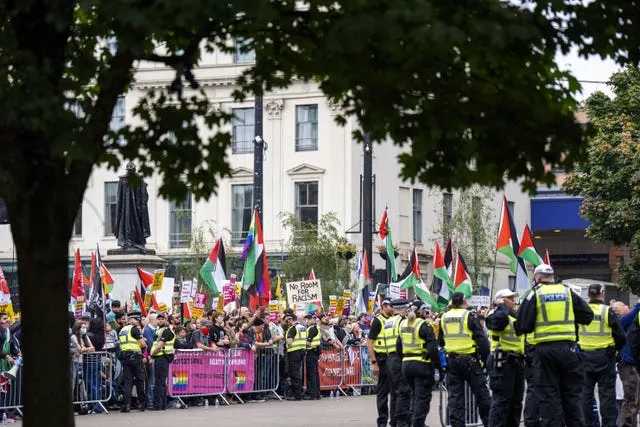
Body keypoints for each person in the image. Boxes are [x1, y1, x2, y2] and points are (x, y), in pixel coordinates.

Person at [515, 264, 594, 426]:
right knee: (572, 396)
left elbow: (522, 324)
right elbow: (587, 315)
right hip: (569, 350)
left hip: (545, 352)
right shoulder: (567, 291)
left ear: (537, 278)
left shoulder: (535, 294)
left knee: (549, 397)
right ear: (552, 277)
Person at [439, 292, 491, 427]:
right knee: (482, 395)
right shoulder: (468, 315)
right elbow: (483, 341)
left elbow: (441, 341)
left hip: (452, 361)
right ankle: (490, 422)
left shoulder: (444, 317)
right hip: (470, 361)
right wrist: (486, 361)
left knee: (455, 399)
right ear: (464, 302)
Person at [577, 283, 625, 427]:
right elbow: (621, 337)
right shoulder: (607, 311)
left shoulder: (581, 312)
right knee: (607, 397)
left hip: (584, 358)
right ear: (602, 294)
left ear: (588, 295)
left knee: (585, 396)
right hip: (605, 358)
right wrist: (614, 351)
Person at [486, 288, 525, 427]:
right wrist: (501, 306)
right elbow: (498, 323)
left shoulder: (512, 315)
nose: (514, 301)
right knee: (501, 401)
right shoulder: (496, 314)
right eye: (510, 298)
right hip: (502, 361)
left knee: (516, 402)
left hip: (516, 361)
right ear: (501, 300)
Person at [396, 302, 440, 427]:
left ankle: (412, 422)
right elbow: (432, 348)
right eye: (425, 309)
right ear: (420, 311)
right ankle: (418, 424)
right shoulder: (423, 325)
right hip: (422, 365)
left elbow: (398, 347)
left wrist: (404, 360)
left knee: (414, 395)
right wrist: (438, 366)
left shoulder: (403, 323)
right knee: (422, 398)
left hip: (406, 365)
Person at [366, 298, 398, 427]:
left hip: (393, 359)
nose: (393, 308)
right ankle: (382, 421)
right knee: (383, 393)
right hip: (382, 360)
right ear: (384, 306)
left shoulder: (393, 320)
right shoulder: (378, 321)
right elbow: (370, 342)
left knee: (395, 392)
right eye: (391, 306)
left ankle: (394, 420)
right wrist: (374, 362)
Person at [611, 299, 640, 427]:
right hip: (628, 365)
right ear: (618, 311)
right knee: (630, 400)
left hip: (631, 364)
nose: (627, 306)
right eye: (623, 305)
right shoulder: (620, 322)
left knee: (635, 401)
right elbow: (634, 313)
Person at [118, 312, 147, 413]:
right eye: (136, 319)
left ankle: (126, 405)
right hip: (135, 357)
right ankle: (142, 404)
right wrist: (144, 343)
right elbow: (142, 344)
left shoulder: (122, 330)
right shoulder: (134, 329)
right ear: (130, 319)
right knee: (140, 380)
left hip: (125, 357)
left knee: (128, 382)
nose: (138, 321)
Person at [149, 313, 175, 410]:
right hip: (159, 357)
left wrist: (151, 355)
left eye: (162, 319)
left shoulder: (166, 331)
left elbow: (159, 346)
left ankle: (158, 405)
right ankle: (162, 405)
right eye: (158, 319)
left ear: (165, 320)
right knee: (161, 382)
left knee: (159, 382)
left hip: (162, 358)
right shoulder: (159, 331)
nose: (160, 320)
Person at [285, 314, 306, 401]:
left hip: (294, 352)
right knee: (298, 373)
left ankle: (296, 395)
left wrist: (285, 340)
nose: (287, 322)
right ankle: (298, 393)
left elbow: (290, 341)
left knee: (294, 373)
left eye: (287, 320)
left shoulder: (293, 328)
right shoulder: (302, 327)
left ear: (291, 319)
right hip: (301, 351)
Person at [304, 314, 321, 400]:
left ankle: (312, 394)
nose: (307, 321)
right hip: (314, 352)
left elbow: (308, 342)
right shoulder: (316, 328)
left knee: (311, 374)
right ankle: (316, 393)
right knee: (315, 374)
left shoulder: (311, 329)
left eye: (309, 319)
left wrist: (302, 345)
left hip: (311, 352)